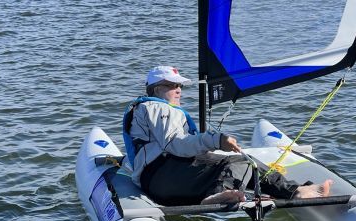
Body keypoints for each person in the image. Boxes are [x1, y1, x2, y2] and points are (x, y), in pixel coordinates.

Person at [123, 65, 331, 206]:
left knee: (249, 164)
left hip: (165, 181)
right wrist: (216, 140)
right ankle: (218, 193)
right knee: (242, 163)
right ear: (156, 90)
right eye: (171, 85)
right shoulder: (157, 107)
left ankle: (294, 191)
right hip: (163, 178)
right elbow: (175, 144)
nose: (178, 90)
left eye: (179, 85)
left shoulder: (148, 110)